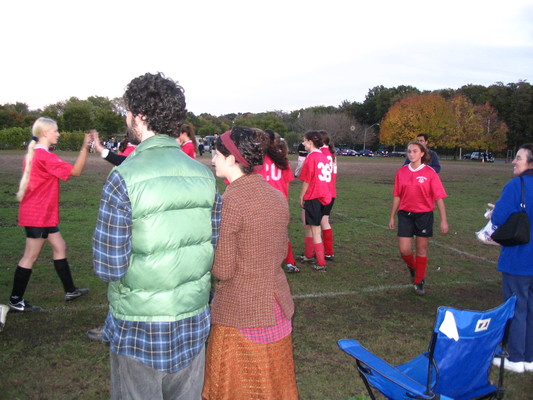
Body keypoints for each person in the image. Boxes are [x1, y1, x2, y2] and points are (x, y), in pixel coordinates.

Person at [93, 72, 221, 400]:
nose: (126, 117)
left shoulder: (123, 177)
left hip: (138, 325)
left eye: (128, 111)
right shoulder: (204, 175)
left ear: (141, 117)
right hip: (192, 320)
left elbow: (108, 266)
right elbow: (213, 247)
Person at [203, 126, 298, 399]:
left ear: (232, 158)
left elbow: (223, 269)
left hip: (241, 315)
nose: (212, 159)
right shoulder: (276, 196)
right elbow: (281, 251)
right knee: (276, 388)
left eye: (217, 153)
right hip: (277, 309)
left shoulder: (230, 201)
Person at [8, 117, 91, 312]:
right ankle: (15, 300)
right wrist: (85, 147)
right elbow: (76, 172)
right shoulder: (45, 157)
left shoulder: (37, 154)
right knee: (30, 256)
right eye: (55, 130)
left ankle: (70, 290)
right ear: (45, 133)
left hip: (42, 213)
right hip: (38, 215)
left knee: (60, 246)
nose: (58, 134)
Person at [490, 143, 533, 374]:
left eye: (518, 158)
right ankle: (529, 356)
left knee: (517, 308)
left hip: (519, 258)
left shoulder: (517, 185)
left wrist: (494, 211)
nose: (514, 161)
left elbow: (498, 218)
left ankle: (515, 357)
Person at [389, 140, 448, 296]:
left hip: (424, 215)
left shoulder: (430, 173)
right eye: (409, 151)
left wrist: (444, 220)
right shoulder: (401, 172)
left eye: (415, 151)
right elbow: (397, 195)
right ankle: (414, 268)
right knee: (404, 250)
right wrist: (392, 217)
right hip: (405, 214)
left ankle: (419, 281)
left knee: (421, 248)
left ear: (422, 153)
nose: (411, 154)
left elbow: (439, 198)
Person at [259, 130, 298, 272]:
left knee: (263, 233)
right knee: (282, 233)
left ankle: (267, 262)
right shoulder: (282, 159)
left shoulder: (258, 159)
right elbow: (286, 183)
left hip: (264, 201)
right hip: (280, 200)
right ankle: (290, 262)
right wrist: (285, 200)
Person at [297, 131, 332, 271]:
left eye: (305, 141)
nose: (303, 143)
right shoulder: (323, 156)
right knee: (310, 226)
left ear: (311, 142)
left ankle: (321, 262)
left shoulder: (311, 157)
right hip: (324, 195)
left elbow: (307, 180)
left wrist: (301, 196)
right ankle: (309, 254)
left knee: (315, 230)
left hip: (314, 196)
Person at [320, 131, 337, 262]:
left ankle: (322, 251)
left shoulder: (319, 154)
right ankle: (328, 251)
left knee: (318, 223)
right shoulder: (332, 154)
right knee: (325, 221)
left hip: (321, 192)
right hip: (331, 192)